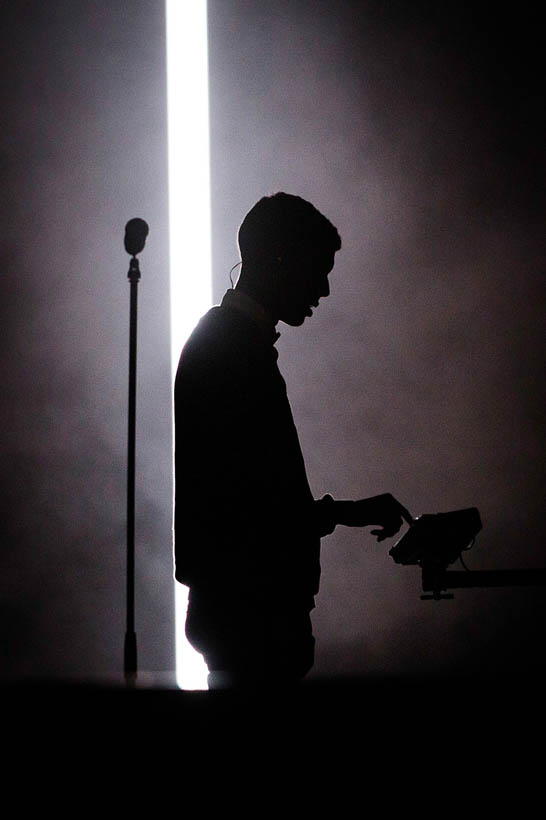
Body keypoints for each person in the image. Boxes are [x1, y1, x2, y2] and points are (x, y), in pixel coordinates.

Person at [174, 192, 411, 689]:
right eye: (317, 269)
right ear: (281, 259)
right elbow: (252, 506)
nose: (323, 289)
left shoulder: (227, 343)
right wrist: (342, 513)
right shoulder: (233, 351)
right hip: (250, 618)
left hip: (241, 617)